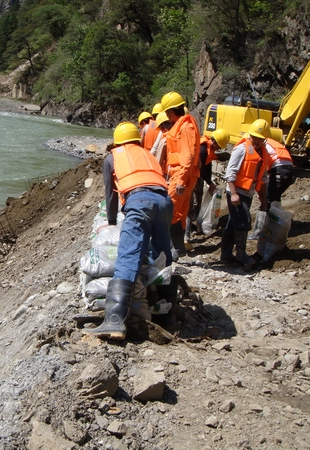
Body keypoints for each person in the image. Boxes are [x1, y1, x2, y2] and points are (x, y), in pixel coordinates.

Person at [84, 122, 174, 340]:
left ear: (117, 141)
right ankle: (168, 315)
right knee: (163, 255)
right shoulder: (147, 154)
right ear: (137, 139)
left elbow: (111, 193)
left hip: (139, 200)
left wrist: (112, 221)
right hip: (164, 201)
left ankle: (114, 322)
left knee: (128, 256)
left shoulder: (113, 156)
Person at [220, 119, 269, 268]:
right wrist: (234, 193)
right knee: (243, 221)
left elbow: (263, 178)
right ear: (250, 135)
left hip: (248, 193)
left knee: (231, 223)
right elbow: (230, 173)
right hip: (236, 192)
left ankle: (226, 255)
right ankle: (240, 254)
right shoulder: (241, 149)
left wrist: (263, 200)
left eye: (260, 139)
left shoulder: (262, 154)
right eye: (255, 138)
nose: (257, 141)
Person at [161, 91, 201, 256]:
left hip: (182, 176)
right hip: (183, 176)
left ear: (170, 112)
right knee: (179, 213)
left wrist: (181, 181)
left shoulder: (185, 127)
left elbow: (188, 157)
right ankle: (178, 249)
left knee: (168, 211)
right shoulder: (185, 124)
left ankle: (169, 250)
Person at [188, 128, 230, 243]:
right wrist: (210, 182)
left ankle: (195, 222)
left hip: (198, 176)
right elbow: (200, 168)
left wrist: (210, 182)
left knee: (199, 197)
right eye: (219, 146)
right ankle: (187, 230)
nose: (220, 149)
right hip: (192, 176)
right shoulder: (202, 149)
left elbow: (207, 167)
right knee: (192, 202)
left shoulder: (209, 149)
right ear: (214, 142)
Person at [264, 137, 294, 204]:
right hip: (290, 170)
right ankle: (275, 213)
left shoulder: (263, 144)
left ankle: (265, 213)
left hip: (279, 170)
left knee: (267, 200)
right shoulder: (273, 143)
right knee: (275, 199)